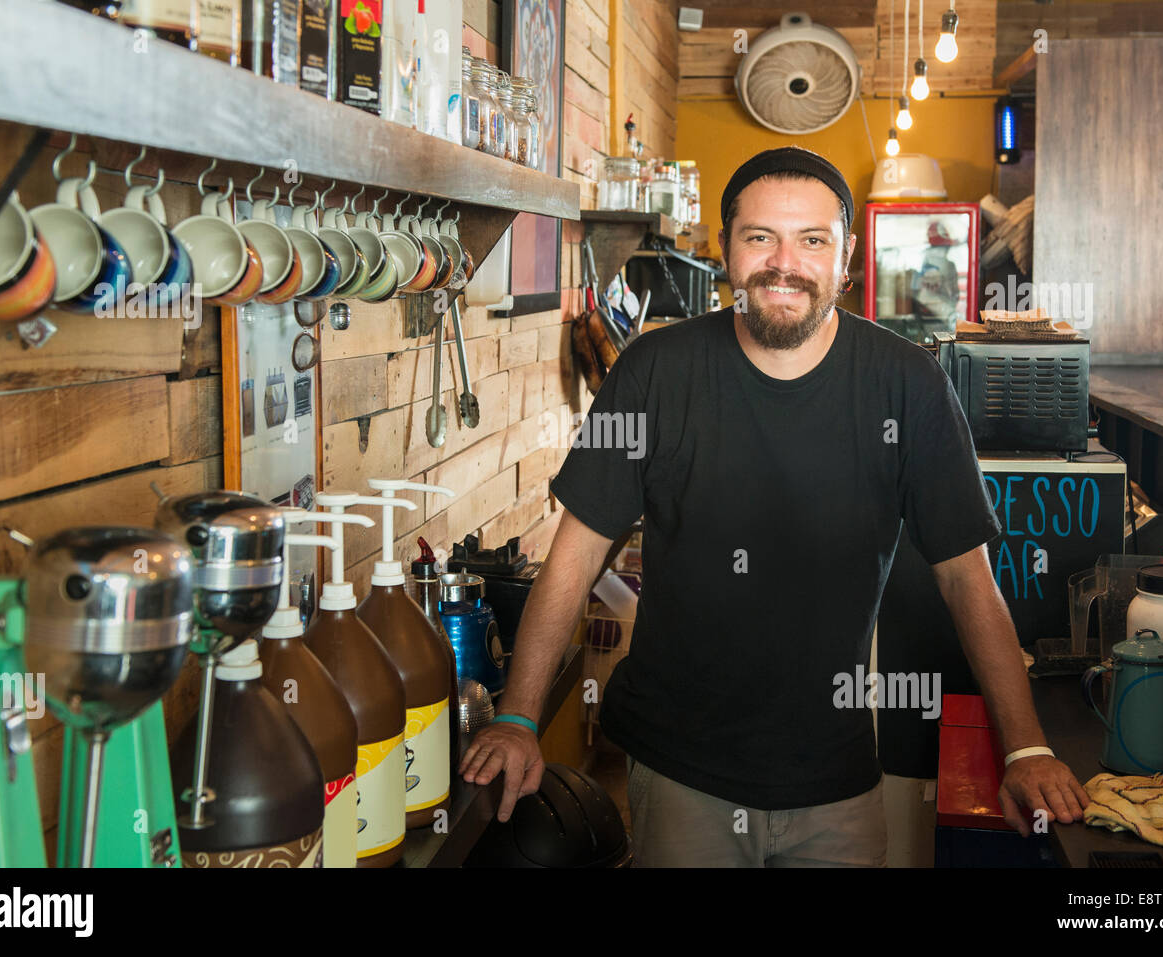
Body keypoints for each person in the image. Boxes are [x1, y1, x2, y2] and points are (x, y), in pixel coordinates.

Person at [459, 147, 1089, 867]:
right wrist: (516, 716)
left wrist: (1026, 745)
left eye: (811, 240)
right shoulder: (652, 373)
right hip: (679, 772)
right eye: (760, 237)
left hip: (838, 778)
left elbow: (967, 578)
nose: (784, 263)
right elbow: (572, 562)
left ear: (845, 258)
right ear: (726, 248)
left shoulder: (908, 386)